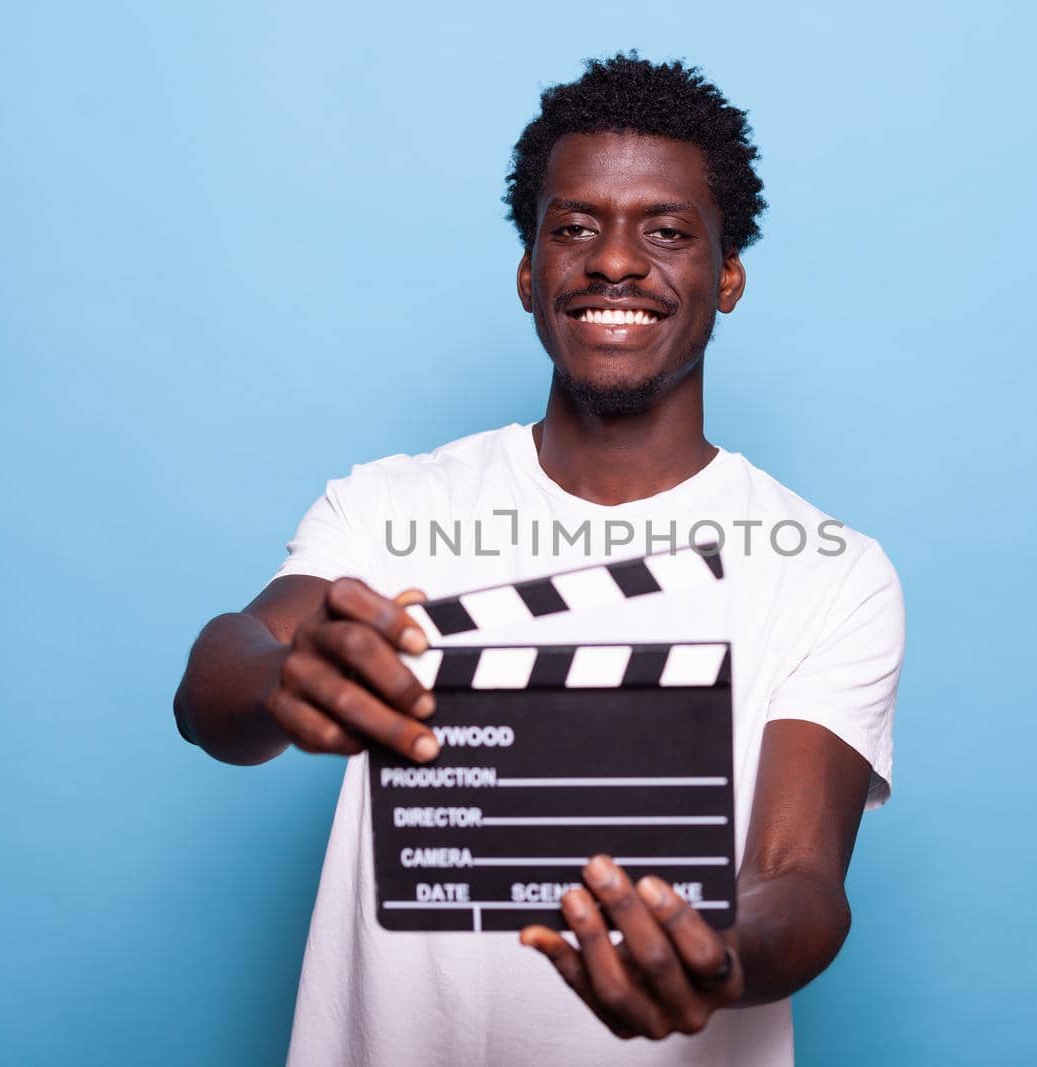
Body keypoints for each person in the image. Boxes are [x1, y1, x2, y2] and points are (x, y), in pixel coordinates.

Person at [173, 53, 905, 1066]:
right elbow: (221, 676)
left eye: (666, 230)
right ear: (528, 272)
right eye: (573, 227)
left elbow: (799, 871)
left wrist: (720, 958)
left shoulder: (828, 567)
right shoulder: (392, 508)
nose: (614, 260)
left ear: (725, 276)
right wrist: (280, 679)